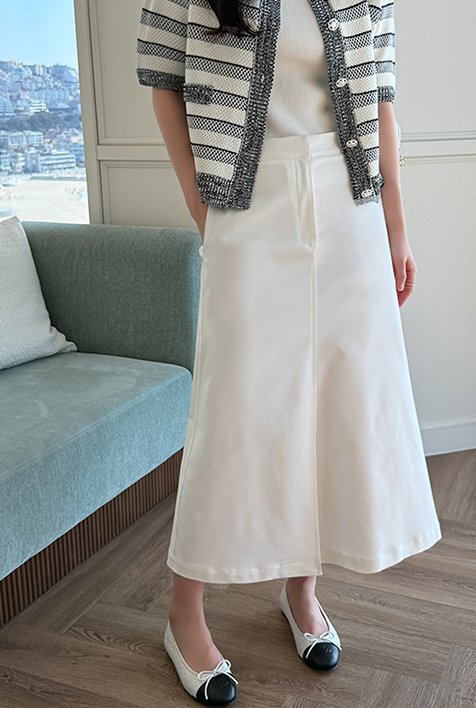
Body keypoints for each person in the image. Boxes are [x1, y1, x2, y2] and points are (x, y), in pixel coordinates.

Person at [136, 0, 442, 704]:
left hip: (350, 206)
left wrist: (396, 226)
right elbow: (164, 83)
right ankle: (184, 614)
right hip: (246, 205)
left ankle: (302, 591)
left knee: (332, 405)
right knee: (232, 414)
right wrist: (203, 209)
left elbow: (380, 99)